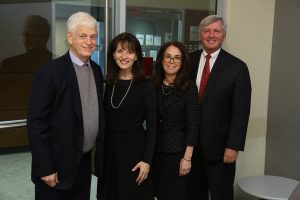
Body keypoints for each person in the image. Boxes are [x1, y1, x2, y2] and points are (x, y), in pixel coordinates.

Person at [27, 12, 105, 200]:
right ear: (70, 37)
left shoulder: (96, 70)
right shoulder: (49, 72)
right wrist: (46, 167)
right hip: (55, 169)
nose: (89, 42)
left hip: (83, 165)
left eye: (93, 36)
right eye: (82, 36)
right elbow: (37, 123)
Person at [187, 15, 252, 200]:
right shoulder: (188, 61)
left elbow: (241, 111)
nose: (211, 35)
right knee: (193, 194)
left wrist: (233, 146)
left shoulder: (237, 68)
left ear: (224, 36)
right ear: (200, 35)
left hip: (220, 150)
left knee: (221, 195)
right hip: (190, 148)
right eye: (207, 31)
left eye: (217, 31)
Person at [97, 32, 157, 200]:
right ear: (113, 55)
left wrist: (147, 160)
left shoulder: (146, 86)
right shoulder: (106, 83)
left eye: (130, 52)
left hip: (135, 152)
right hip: (109, 150)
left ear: (136, 56)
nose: (124, 56)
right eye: (120, 51)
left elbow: (153, 126)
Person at [152, 41, 199, 200]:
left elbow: (193, 124)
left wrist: (187, 158)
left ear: (182, 62)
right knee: (157, 194)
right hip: (154, 153)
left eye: (177, 58)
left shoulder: (189, 87)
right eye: (168, 57)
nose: (172, 61)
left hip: (177, 154)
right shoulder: (153, 85)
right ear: (161, 59)